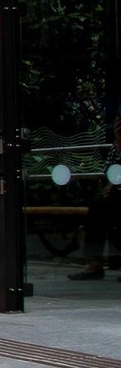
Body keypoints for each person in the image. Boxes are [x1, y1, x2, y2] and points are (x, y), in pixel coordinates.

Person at [68, 114, 121, 280]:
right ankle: (94, 261)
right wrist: (119, 143)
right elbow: (109, 170)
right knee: (97, 208)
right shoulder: (116, 146)